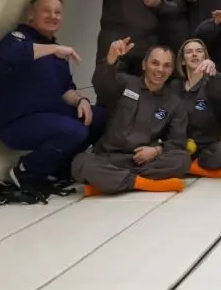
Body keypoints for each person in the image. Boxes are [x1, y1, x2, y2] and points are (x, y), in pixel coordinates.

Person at [0, 0, 96, 192]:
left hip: (49, 116)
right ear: (31, 14)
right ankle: (26, 170)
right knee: (74, 130)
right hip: (18, 122)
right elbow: (7, 52)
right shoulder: (18, 38)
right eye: (46, 11)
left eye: (57, 12)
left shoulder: (57, 50)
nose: (53, 16)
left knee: (98, 117)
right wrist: (52, 50)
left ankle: (58, 168)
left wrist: (81, 101)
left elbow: (66, 89)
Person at [72, 39, 190, 195]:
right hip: (109, 157)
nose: (160, 69)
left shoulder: (175, 102)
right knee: (81, 163)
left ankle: (110, 182)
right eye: (155, 63)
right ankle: (142, 183)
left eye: (166, 65)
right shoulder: (124, 82)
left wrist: (156, 150)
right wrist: (111, 59)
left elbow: (177, 142)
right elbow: (100, 83)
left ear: (170, 71)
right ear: (144, 65)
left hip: (144, 161)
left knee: (182, 160)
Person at [176, 38, 221, 178]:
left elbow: (220, 93)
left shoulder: (214, 82)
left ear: (206, 58)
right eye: (189, 52)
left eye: (199, 51)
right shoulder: (174, 87)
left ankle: (190, 166)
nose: (194, 54)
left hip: (208, 146)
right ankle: (191, 166)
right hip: (181, 145)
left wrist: (214, 74)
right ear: (183, 61)